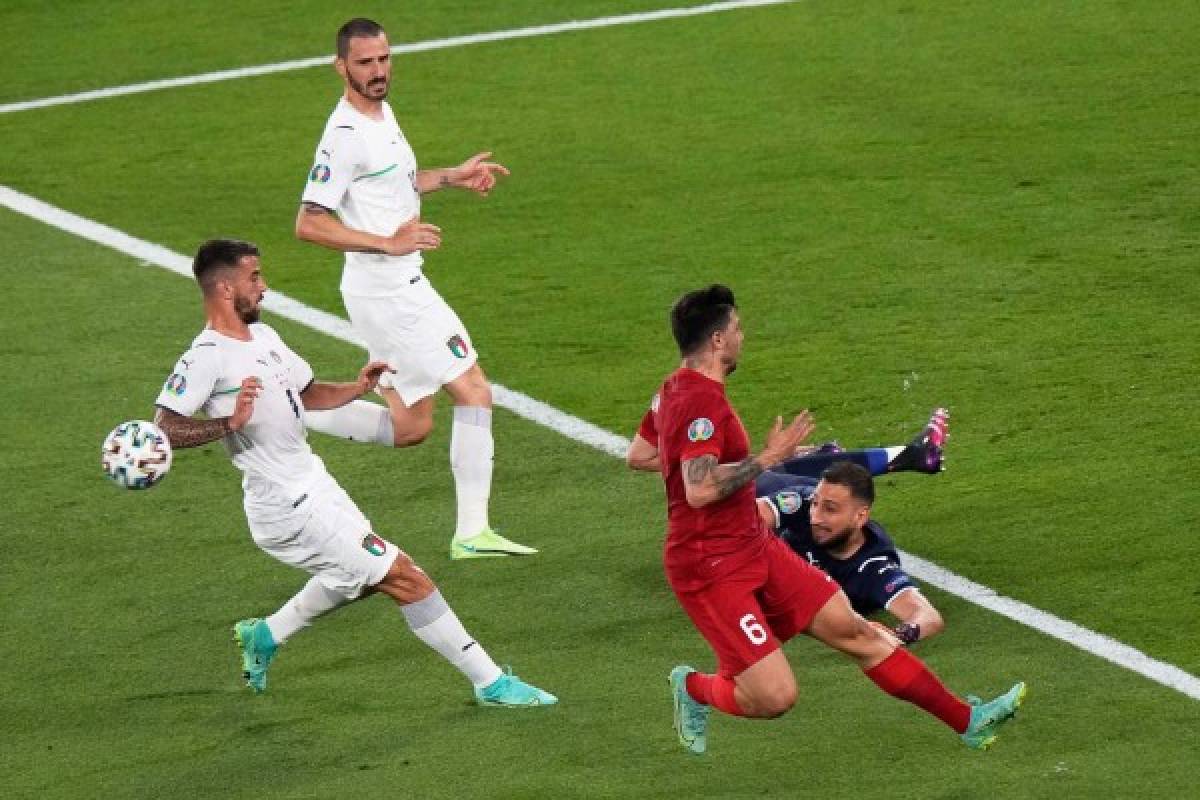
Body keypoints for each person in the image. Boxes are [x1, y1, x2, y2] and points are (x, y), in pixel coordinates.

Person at [152, 238, 556, 707]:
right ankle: (490, 682)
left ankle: (266, 634)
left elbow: (307, 393)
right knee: (405, 576)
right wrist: (228, 423)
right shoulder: (206, 356)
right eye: (254, 277)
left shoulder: (263, 337)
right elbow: (166, 425)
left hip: (315, 485)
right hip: (285, 504)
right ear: (224, 288)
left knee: (357, 578)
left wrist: (357, 386)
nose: (264, 287)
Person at [630, 284, 1024, 754]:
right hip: (709, 566)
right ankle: (693, 687)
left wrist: (723, 462)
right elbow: (699, 490)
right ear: (717, 340)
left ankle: (968, 721)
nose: (742, 337)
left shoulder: (671, 390)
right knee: (776, 697)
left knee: (857, 631)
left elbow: (641, 454)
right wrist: (766, 459)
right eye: (736, 328)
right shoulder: (701, 402)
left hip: (752, 543)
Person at [294, 17, 532, 560]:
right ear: (340, 67)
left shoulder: (380, 114)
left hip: (388, 285)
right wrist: (386, 242)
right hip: (389, 287)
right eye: (364, 63)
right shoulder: (344, 137)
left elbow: (394, 181)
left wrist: (452, 176)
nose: (377, 72)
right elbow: (308, 222)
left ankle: (288, 410)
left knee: (411, 426)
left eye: (383, 59)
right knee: (473, 388)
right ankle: (472, 531)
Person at [755, 462, 945, 643]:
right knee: (746, 477)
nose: (815, 518)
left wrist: (898, 636)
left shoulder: (873, 567)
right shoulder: (802, 503)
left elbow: (929, 617)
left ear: (860, 516)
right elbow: (745, 523)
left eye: (830, 509)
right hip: (776, 487)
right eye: (815, 504)